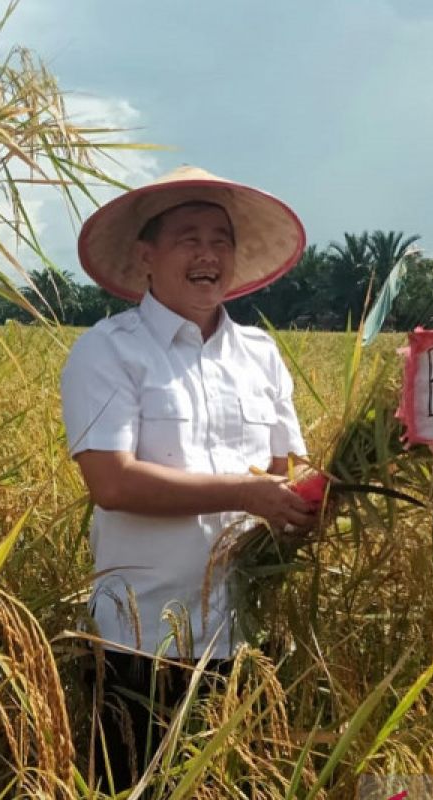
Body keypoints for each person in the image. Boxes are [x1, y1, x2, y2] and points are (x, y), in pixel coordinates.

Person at [60, 166, 313, 790]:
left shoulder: (260, 354)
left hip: (243, 632)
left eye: (221, 240)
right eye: (189, 238)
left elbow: (289, 471)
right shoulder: (107, 351)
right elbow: (112, 483)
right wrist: (245, 493)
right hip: (141, 640)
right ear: (146, 256)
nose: (208, 254)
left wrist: (321, 494)